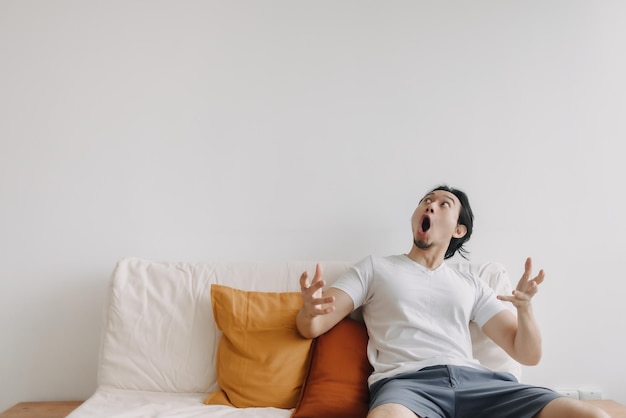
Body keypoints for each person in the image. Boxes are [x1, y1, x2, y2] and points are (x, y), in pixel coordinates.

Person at [297, 185, 608, 418]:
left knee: (593, 415)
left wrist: (524, 309)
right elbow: (312, 326)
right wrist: (310, 311)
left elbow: (527, 354)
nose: (430, 206)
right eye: (426, 201)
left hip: (480, 384)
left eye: (443, 204)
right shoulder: (375, 268)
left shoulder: (471, 283)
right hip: (408, 385)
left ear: (459, 229)